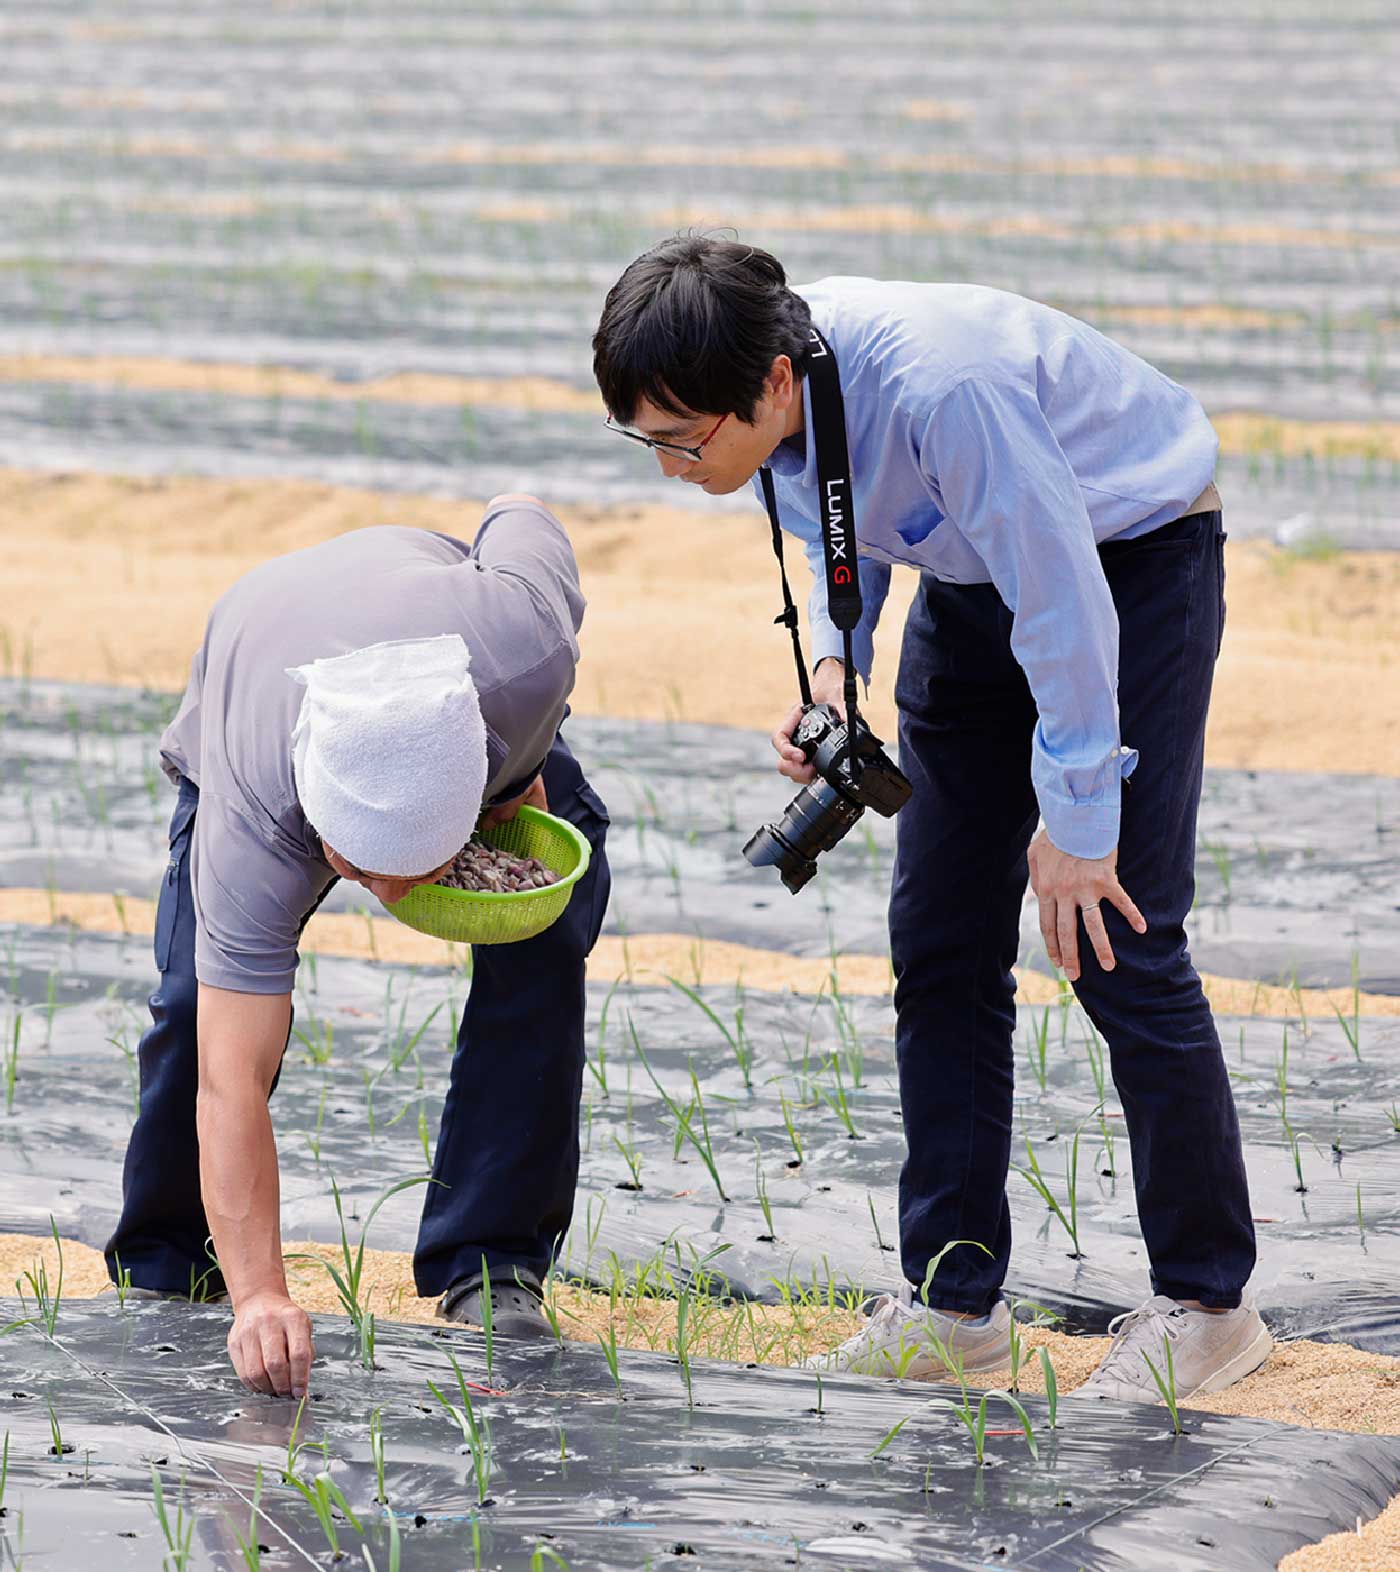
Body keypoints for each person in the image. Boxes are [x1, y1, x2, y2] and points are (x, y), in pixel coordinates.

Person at [591, 236, 1271, 1403]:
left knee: (1116, 933)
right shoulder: (781, 383)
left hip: (1131, 556)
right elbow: (839, 539)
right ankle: (954, 1306)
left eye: (679, 439)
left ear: (769, 388)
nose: (668, 467)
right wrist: (828, 672)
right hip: (973, 574)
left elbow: (1063, 605)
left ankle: (1209, 1305)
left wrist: (1077, 819)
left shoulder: (943, 391)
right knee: (941, 946)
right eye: (643, 438)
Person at [104, 496, 612, 1399]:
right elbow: (232, 1082)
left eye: (431, 867)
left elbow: (520, 513)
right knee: (196, 1009)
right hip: (257, 659)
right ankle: (171, 1258)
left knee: (548, 926)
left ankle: (489, 1262)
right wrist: (262, 1296)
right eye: (370, 875)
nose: (398, 903)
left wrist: (525, 776)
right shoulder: (258, 826)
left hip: (449, 671)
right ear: (323, 838)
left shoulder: (526, 654)